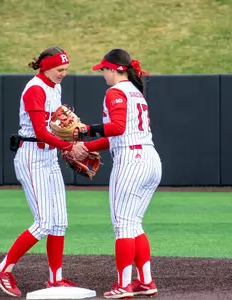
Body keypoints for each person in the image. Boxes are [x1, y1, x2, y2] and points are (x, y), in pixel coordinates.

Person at [0, 46, 87, 297]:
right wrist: (70, 146)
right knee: (43, 223)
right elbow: (40, 132)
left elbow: (52, 126)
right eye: (59, 69)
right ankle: (2, 269)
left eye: (66, 69)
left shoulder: (55, 86)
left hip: (48, 155)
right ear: (46, 67)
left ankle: (55, 279)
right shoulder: (35, 89)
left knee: (60, 222)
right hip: (32, 155)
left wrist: (70, 133)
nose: (63, 73)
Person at [77, 49, 162, 299]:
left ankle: (124, 286)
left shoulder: (115, 91)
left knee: (123, 226)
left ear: (115, 69)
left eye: (104, 69)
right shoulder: (137, 92)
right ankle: (146, 281)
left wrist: (85, 131)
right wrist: (86, 146)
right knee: (134, 224)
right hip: (150, 159)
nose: (102, 73)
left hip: (131, 162)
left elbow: (117, 128)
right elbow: (119, 135)